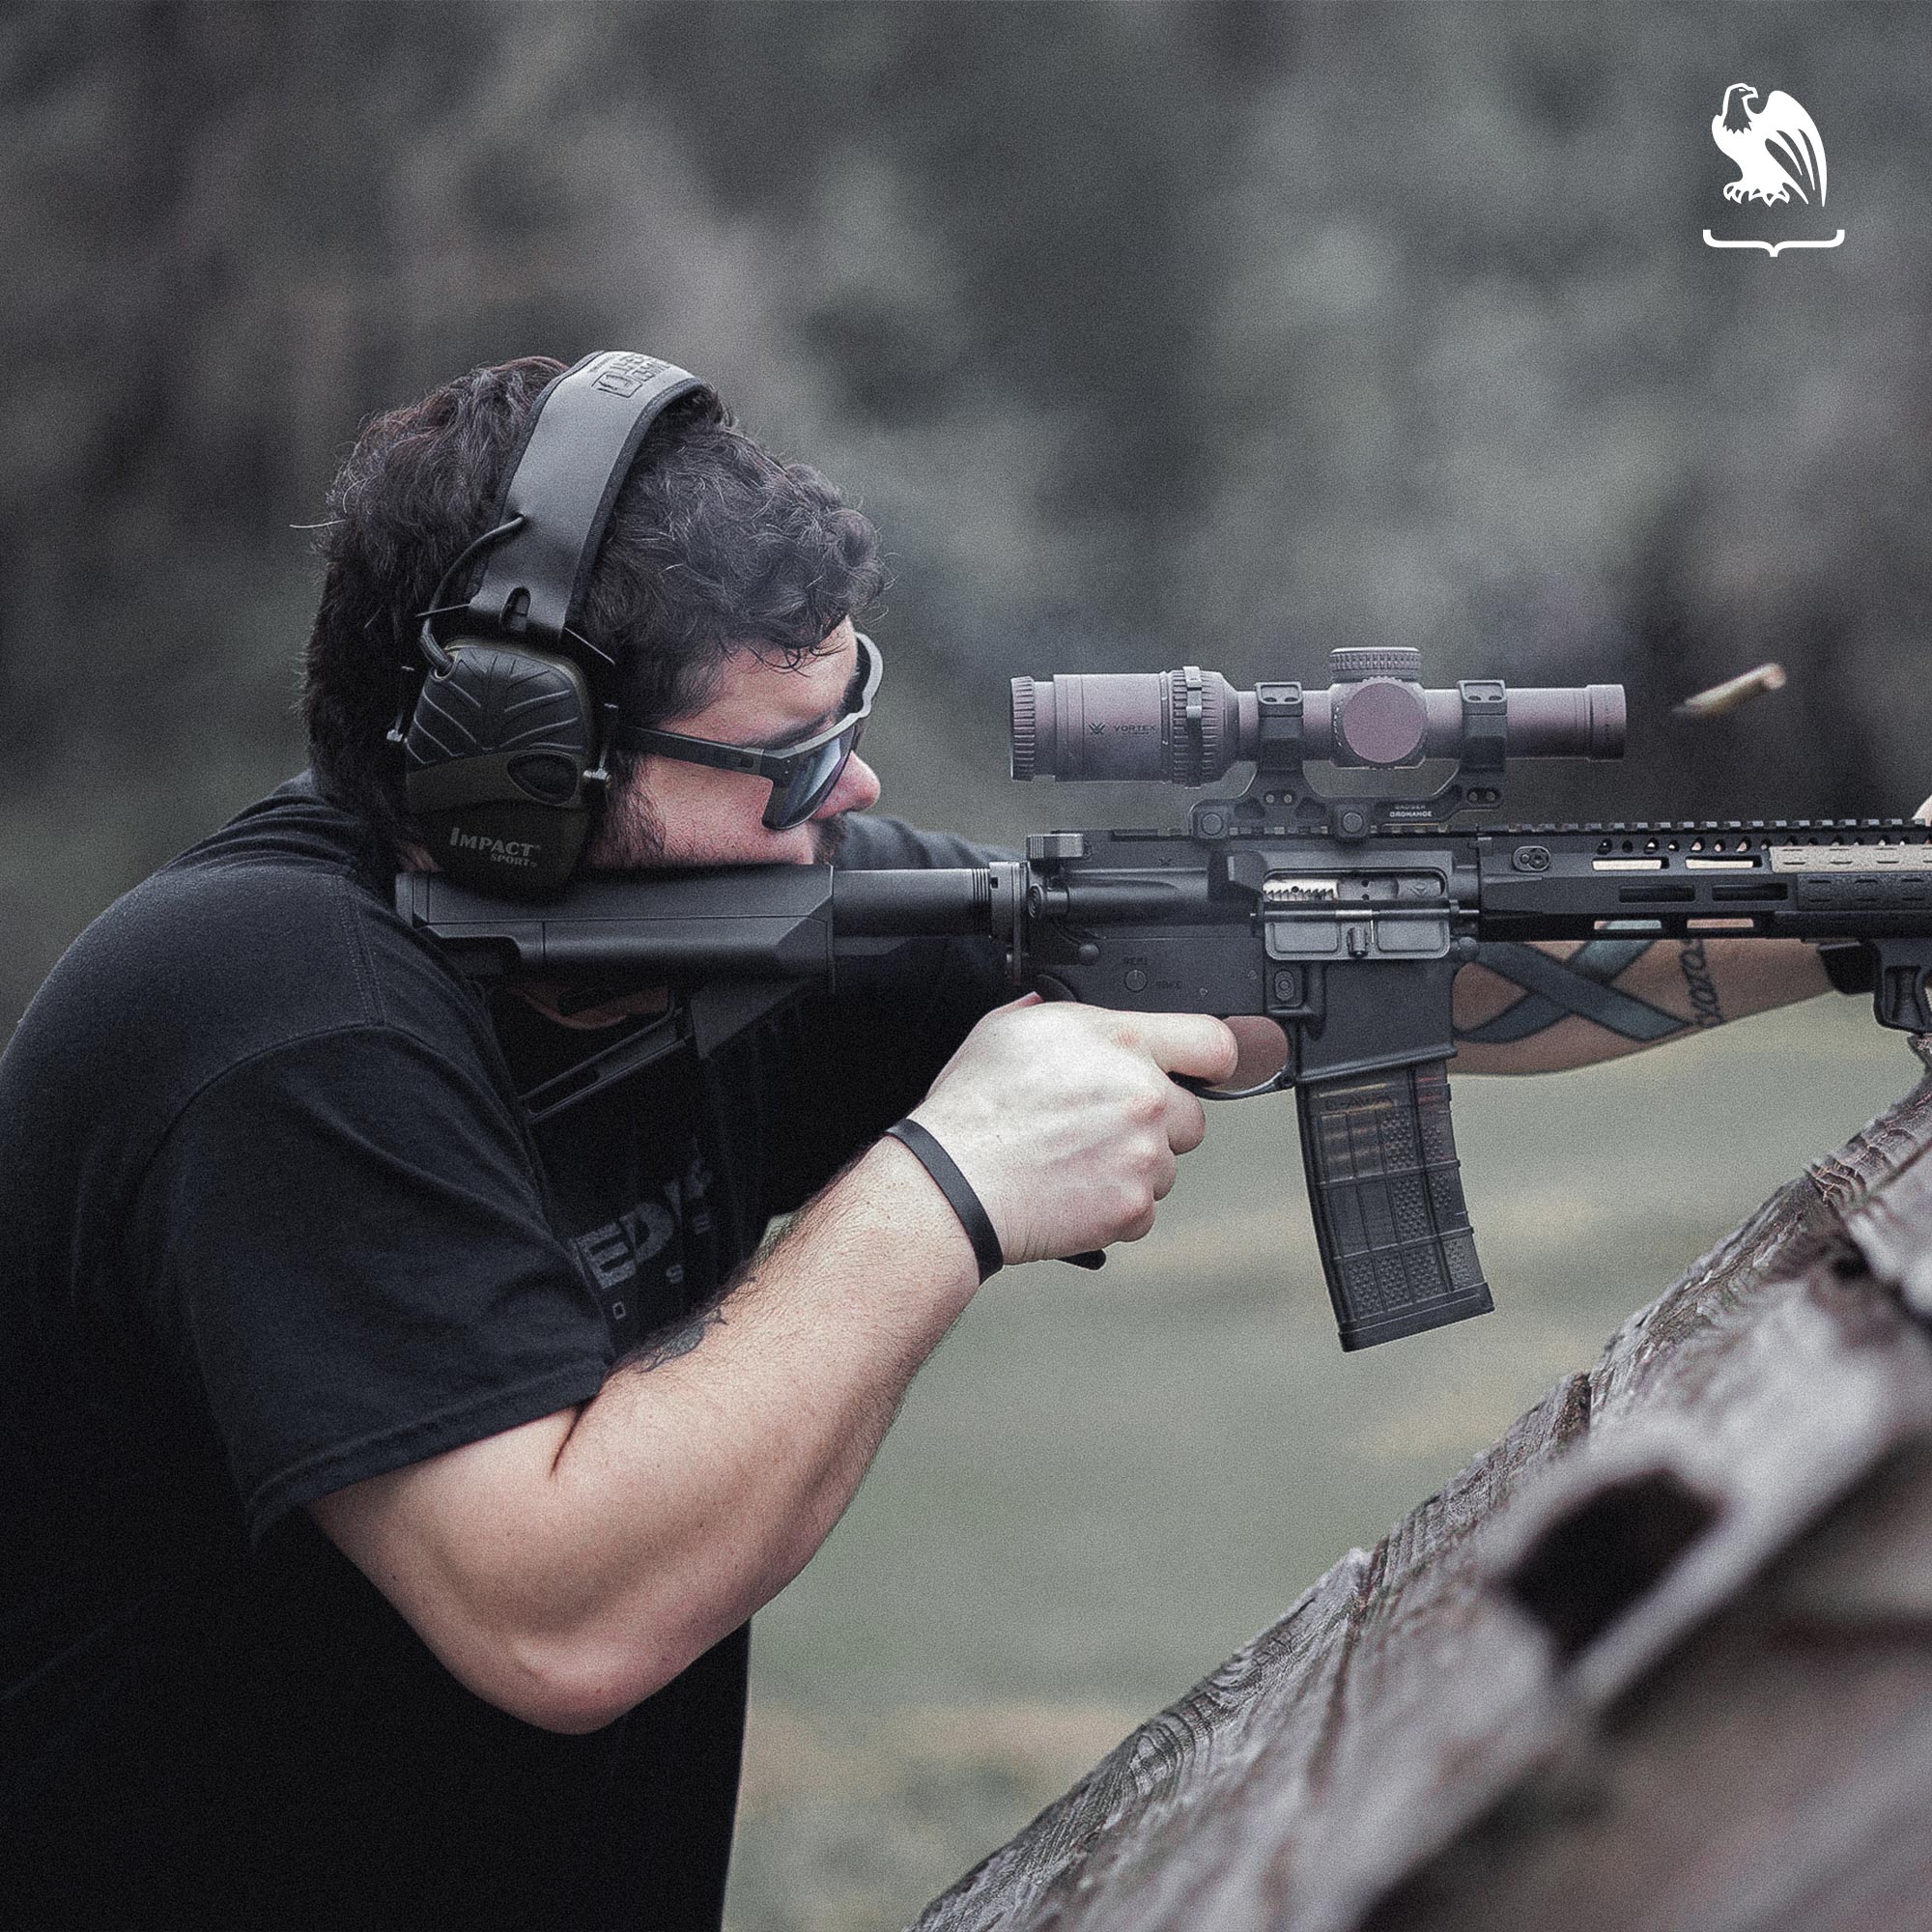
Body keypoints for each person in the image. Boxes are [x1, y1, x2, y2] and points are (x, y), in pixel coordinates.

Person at [0, 354, 1859, 1931]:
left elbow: (1391, 974)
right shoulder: (271, 1019)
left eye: (854, 718)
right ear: (516, 777)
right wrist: (945, 1190)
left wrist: (1860, 909)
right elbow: (557, 1612)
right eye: (789, 757)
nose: (857, 794)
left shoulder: (750, 918)